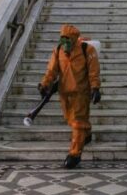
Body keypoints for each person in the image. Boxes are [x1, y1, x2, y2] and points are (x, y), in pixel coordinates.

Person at [38, 24, 101, 169]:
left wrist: (95, 88)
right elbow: (51, 70)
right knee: (71, 119)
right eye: (62, 39)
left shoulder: (87, 50)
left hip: (81, 93)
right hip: (64, 92)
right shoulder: (58, 50)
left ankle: (74, 154)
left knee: (77, 123)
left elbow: (93, 71)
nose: (65, 43)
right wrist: (44, 84)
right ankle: (87, 133)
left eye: (68, 40)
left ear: (74, 39)